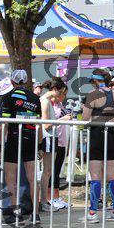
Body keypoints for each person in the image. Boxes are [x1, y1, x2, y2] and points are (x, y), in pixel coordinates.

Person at [0, 70, 43, 225]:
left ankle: (16, 214)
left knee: (11, 178)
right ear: (27, 81)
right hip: (31, 139)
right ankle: (35, 215)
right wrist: (40, 146)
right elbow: (39, 124)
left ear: (12, 81)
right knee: (32, 178)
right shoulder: (35, 98)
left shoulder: (8, 97)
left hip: (14, 139)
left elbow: (5, 124)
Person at [82, 68, 114, 223]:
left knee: (95, 174)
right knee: (111, 173)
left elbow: (85, 117)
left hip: (97, 133)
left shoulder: (93, 94)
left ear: (95, 81)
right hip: (112, 133)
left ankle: (93, 212)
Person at [39, 77, 70, 212]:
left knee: (49, 171)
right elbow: (46, 125)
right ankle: (44, 201)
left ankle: (45, 200)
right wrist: (62, 119)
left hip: (52, 137)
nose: (62, 96)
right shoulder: (45, 101)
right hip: (49, 137)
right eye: (61, 92)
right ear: (55, 89)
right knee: (47, 171)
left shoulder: (47, 101)